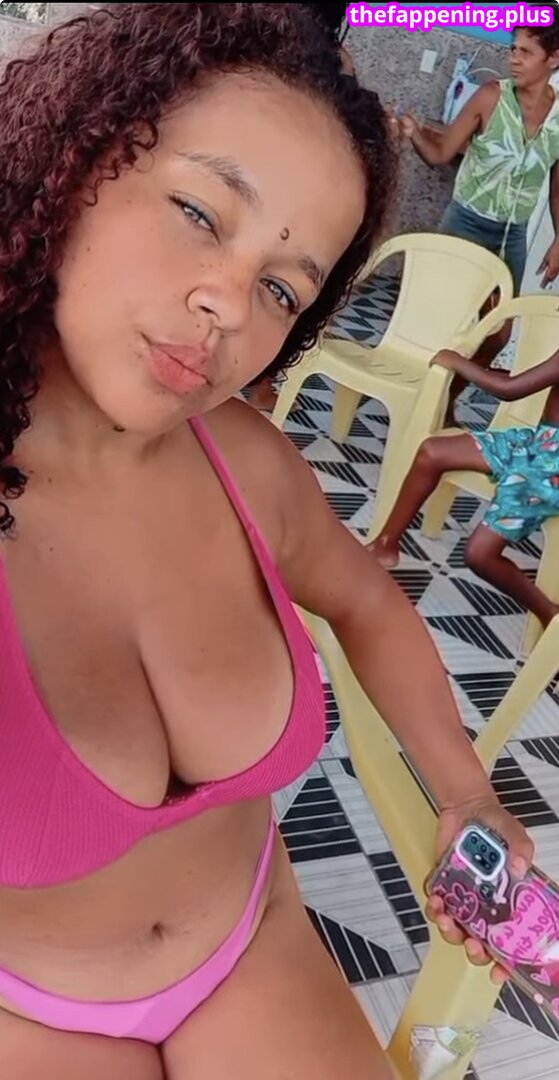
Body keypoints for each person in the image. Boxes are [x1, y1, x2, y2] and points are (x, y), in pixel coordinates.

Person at [0, 6, 532, 1080]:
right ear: (75, 158)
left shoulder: (244, 461)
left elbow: (367, 598)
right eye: (201, 212)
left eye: (285, 287)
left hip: (251, 943)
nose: (230, 304)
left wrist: (466, 794)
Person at [395, 13, 559, 421]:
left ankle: (445, 399)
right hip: (465, 224)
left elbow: (556, 186)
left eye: (526, 52)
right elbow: (441, 154)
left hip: (513, 236)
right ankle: (410, 397)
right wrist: (414, 132)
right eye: (513, 49)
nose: (514, 58)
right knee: (439, 320)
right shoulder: (490, 96)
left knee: (499, 333)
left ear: (553, 59)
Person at [369, 344, 559, 627]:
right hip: (538, 443)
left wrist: (457, 361)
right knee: (432, 452)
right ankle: (385, 546)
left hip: (550, 469)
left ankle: (549, 614)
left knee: (479, 555)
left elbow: (509, 389)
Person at [247, 1, 354, 411]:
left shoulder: (261, 37)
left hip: (263, 182)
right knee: (280, 293)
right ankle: (262, 384)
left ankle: (257, 381)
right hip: (292, 192)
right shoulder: (337, 61)